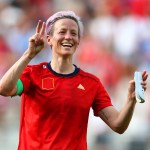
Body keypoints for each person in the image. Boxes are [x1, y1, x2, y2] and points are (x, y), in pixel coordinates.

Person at [0, 11, 148, 150]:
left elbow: (118, 125)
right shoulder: (32, 74)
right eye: (62, 32)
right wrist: (28, 55)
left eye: (74, 33)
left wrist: (130, 100)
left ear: (78, 42)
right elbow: (4, 89)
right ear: (49, 39)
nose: (68, 37)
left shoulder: (92, 83)